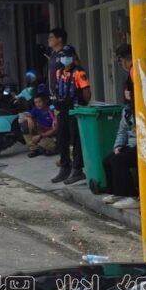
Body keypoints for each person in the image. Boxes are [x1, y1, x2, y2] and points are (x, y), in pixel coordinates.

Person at [103, 43, 139, 209]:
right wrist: (118, 146)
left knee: (119, 160)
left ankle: (132, 195)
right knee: (109, 159)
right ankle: (117, 192)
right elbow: (122, 130)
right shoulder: (127, 111)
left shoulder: (135, 71)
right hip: (129, 145)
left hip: (139, 145)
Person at [51, 44, 91, 185]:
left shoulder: (79, 72)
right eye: (62, 56)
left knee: (76, 141)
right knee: (62, 139)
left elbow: (86, 93)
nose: (64, 58)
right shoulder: (59, 72)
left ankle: (77, 169)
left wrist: (82, 106)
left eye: (67, 56)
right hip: (63, 110)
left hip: (75, 110)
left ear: (73, 57)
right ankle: (65, 167)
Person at [46, 28, 67, 98]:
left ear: (59, 39)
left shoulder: (66, 53)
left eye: (51, 37)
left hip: (65, 94)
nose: (48, 40)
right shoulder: (53, 54)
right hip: (54, 95)